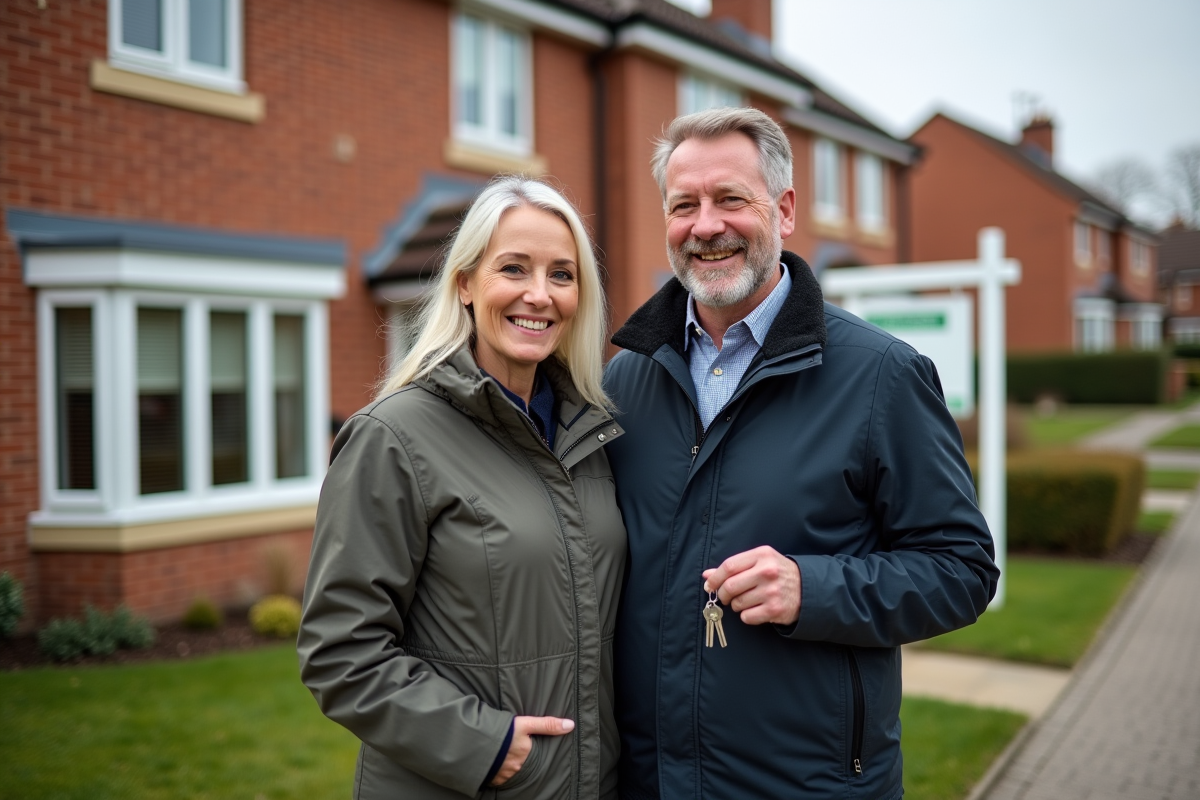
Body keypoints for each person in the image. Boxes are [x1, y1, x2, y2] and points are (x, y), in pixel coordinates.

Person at [602, 106, 999, 799]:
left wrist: (811, 590)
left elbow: (962, 570)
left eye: (730, 199)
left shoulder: (881, 376)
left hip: (809, 785)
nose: (705, 226)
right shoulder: (624, 379)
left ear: (784, 211)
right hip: (650, 782)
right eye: (683, 205)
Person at [298, 176, 627, 800]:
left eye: (562, 274)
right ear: (466, 285)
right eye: (514, 268)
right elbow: (339, 652)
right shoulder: (393, 436)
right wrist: (483, 743)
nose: (540, 294)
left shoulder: (594, 435)